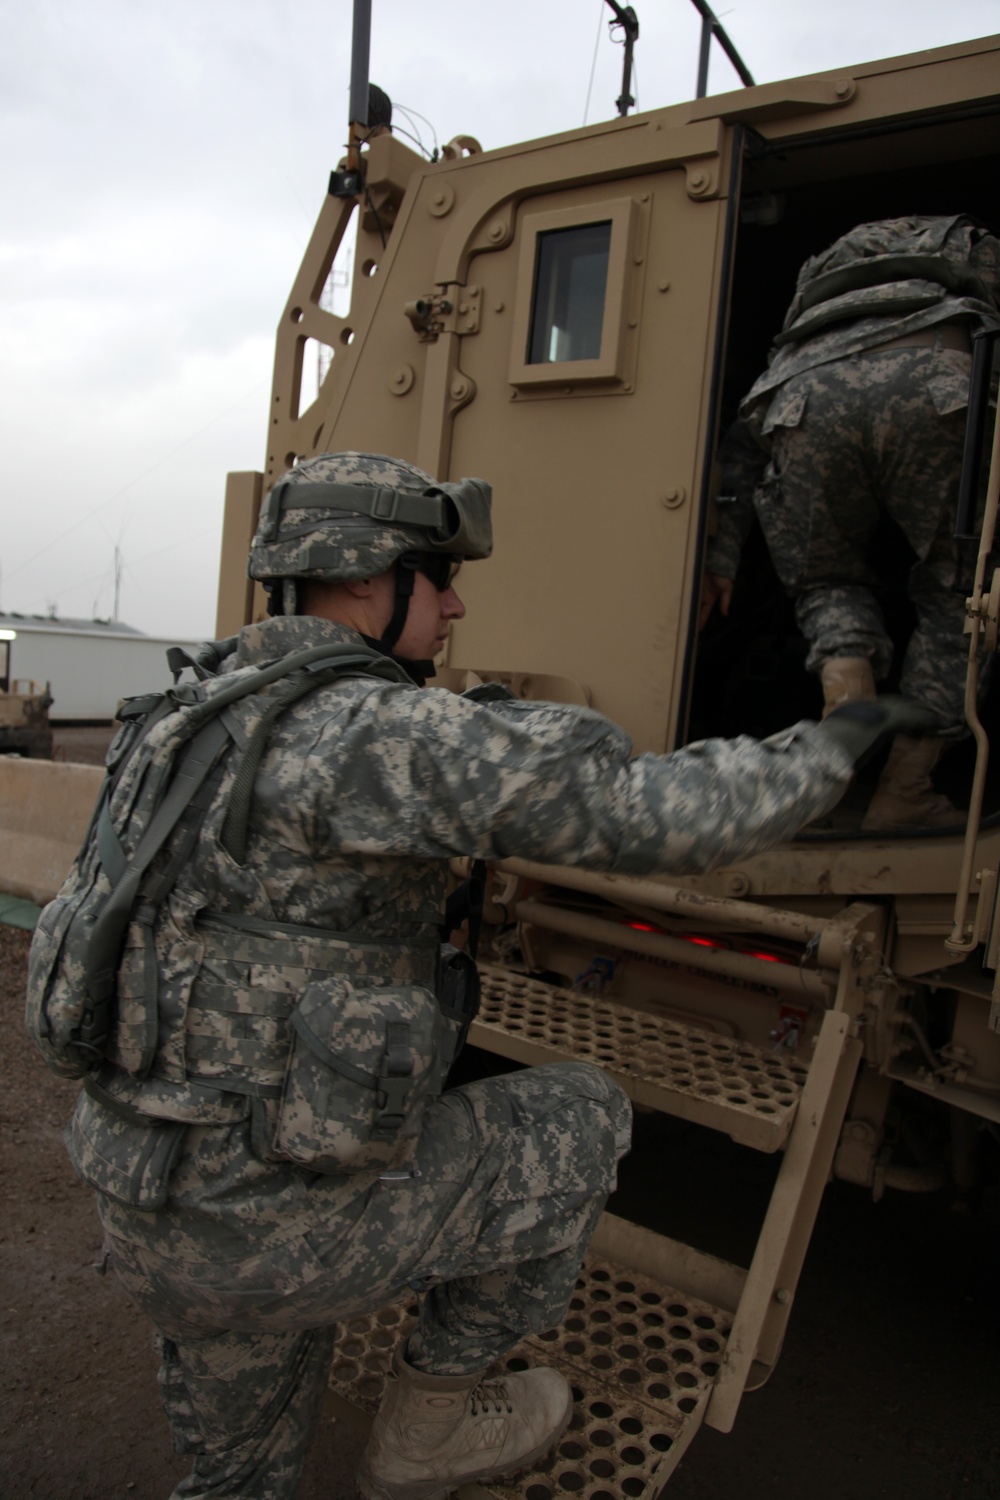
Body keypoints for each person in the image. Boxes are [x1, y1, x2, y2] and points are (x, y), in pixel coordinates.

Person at [57, 452, 914, 1500]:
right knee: (582, 1117)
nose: (455, 602)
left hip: (147, 1203)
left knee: (236, 1480)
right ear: (368, 578)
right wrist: (833, 743)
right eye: (436, 573)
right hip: (266, 1229)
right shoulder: (376, 731)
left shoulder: (171, 721)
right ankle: (423, 1441)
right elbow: (649, 813)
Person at [702, 214, 1000, 828]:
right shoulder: (972, 249)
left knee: (825, 584)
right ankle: (905, 792)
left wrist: (721, 558)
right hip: (938, 376)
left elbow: (740, 449)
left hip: (802, 397)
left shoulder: (823, 279)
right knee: (960, 593)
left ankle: (831, 773)